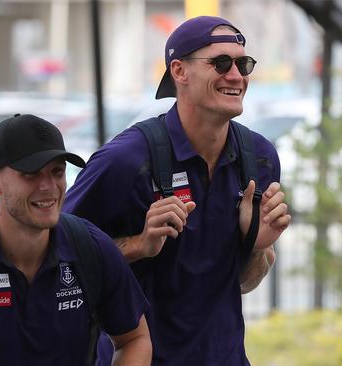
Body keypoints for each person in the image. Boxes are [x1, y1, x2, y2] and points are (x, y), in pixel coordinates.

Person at [63, 15, 291, 365]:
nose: (236, 75)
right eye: (220, 63)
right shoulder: (126, 159)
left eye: (243, 63)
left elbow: (244, 283)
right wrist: (139, 244)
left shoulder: (259, 159)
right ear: (179, 71)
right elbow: (60, 259)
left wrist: (256, 247)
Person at [0, 114, 151, 365]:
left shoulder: (89, 246)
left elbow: (134, 339)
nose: (48, 186)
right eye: (31, 174)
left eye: (57, 172)